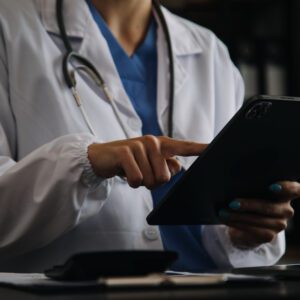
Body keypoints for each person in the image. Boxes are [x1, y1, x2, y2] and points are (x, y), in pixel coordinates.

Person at [0, 0, 296, 273]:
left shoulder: (209, 51)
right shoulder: (10, 27)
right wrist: (86, 163)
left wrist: (244, 233)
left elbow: (218, 227)